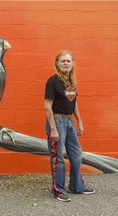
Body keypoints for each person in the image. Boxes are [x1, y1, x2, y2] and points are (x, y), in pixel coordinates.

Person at [44, 50, 95, 202]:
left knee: (76, 155)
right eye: (63, 61)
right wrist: (52, 128)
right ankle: (58, 190)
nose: (66, 63)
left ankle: (77, 186)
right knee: (58, 158)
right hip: (57, 122)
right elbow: (47, 106)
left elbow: (74, 102)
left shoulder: (71, 81)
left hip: (69, 122)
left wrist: (79, 121)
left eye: (68, 61)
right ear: (57, 64)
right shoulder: (53, 81)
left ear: (72, 64)